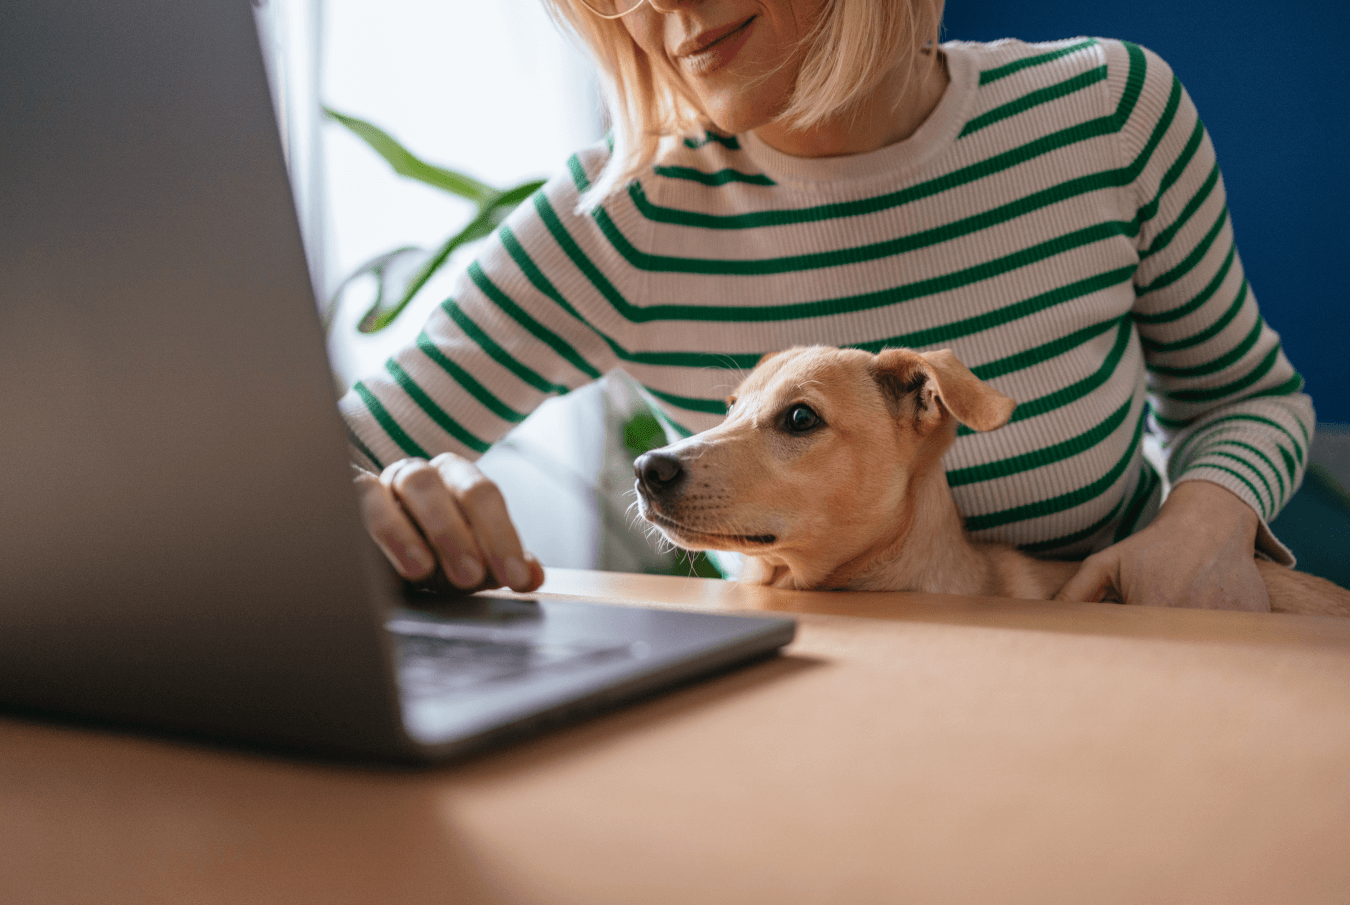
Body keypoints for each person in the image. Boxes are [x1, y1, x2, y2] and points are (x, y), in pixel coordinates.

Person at [341, 0, 1315, 612]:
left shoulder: (1110, 113)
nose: (658, 6)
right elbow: (324, 460)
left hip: (1147, 666)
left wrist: (1205, 516)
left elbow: (1245, 395)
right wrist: (375, 508)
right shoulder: (615, 223)